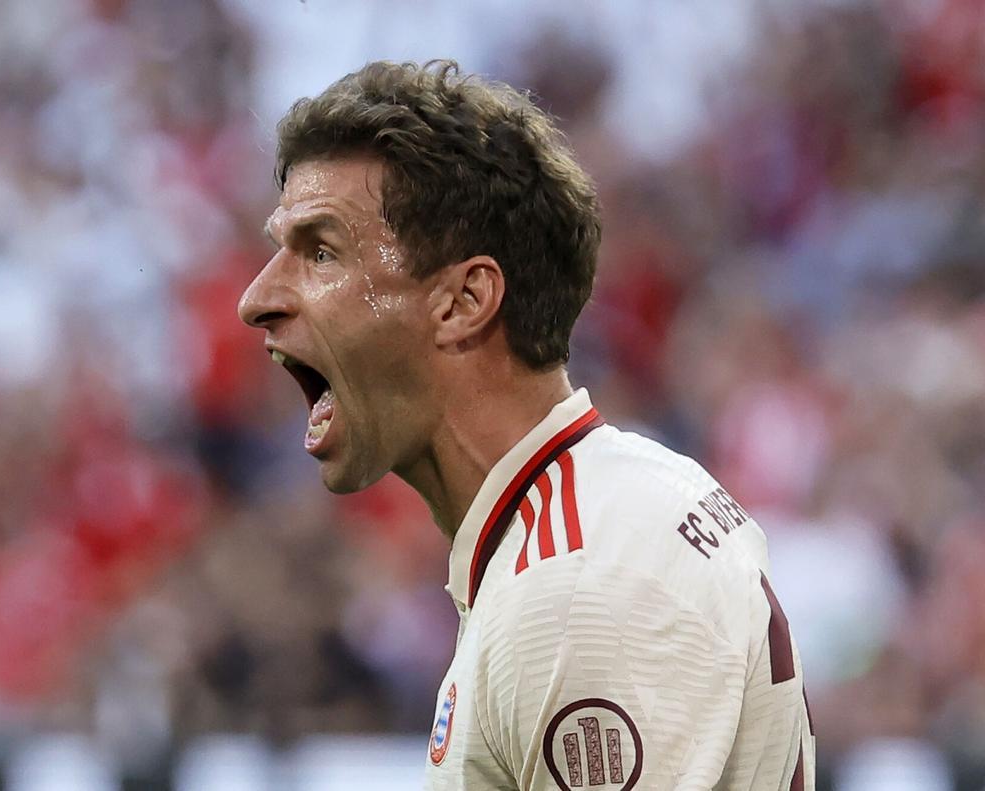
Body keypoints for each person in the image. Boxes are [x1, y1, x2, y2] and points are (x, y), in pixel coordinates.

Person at [238, 60, 814, 791]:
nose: (256, 299)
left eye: (321, 252)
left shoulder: (572, 590)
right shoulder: (621, 500)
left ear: (463, 301)